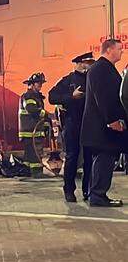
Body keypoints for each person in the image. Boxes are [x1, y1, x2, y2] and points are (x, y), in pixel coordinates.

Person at [81, 39, 125, 207]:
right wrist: (112, 120)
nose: (122, 52)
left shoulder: (104, 68)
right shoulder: (100, 70)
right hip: (102, 127)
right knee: (104, 159)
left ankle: (97, 194)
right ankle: (98, 195)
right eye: (119, 49)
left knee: (102, 159)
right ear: (109, 50)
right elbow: (104, 98)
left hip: (100, 127)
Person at [49, 53, 94, 201]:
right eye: (89, 62)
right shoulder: (68, 80)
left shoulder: (92, 79)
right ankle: (69, 190)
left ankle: (88, 190)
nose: (91, 64)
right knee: (72, 157)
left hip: (88, 124)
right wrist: (71, 96)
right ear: (81, 63)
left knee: (89, 158)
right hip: (72, 123)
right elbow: (52, 97)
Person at [18, 72, 50, 177]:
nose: (40, 85)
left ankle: (26, 171)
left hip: (33, 131)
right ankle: (37, 173)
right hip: (30, 131)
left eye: (41, 83)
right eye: (38, 83)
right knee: (35, 154)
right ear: (31, 84)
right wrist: (45, 113)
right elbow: (31, 109)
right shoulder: (28, 96)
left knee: (29, 155)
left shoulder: (37, 96)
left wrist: (45, 124)